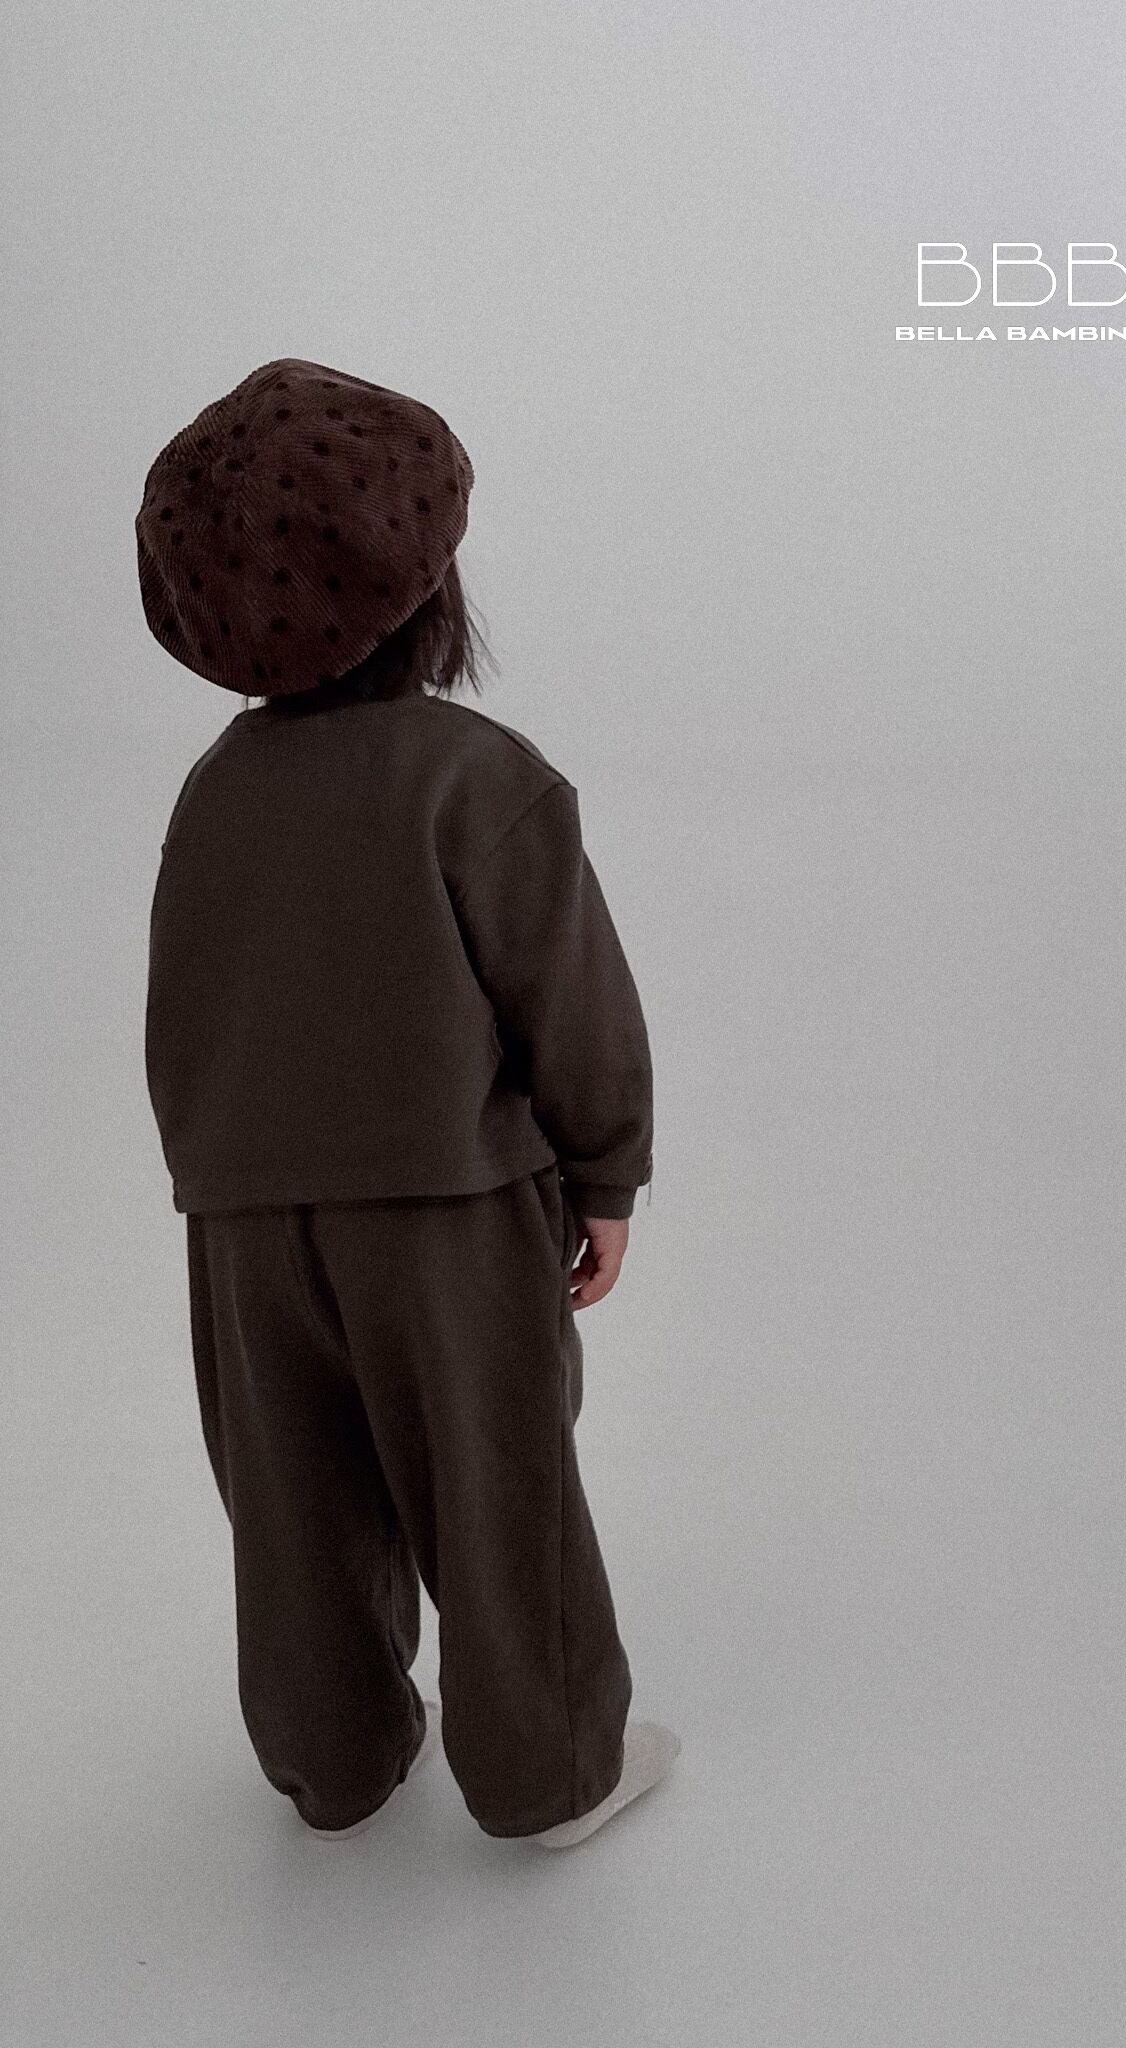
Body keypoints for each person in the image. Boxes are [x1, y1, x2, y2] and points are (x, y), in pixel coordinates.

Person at [135, 358, 678, 1848]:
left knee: (292, 1502)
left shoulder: (213, 793)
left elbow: (184, 1015)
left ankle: (336, 1757)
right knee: (496, 1493)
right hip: (447, 1210)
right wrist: (606, 1175)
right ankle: (550, 1772)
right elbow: (572, 1001)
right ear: (428, 588)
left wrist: (223, 1194)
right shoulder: (478, 780)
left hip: (246, 1224)